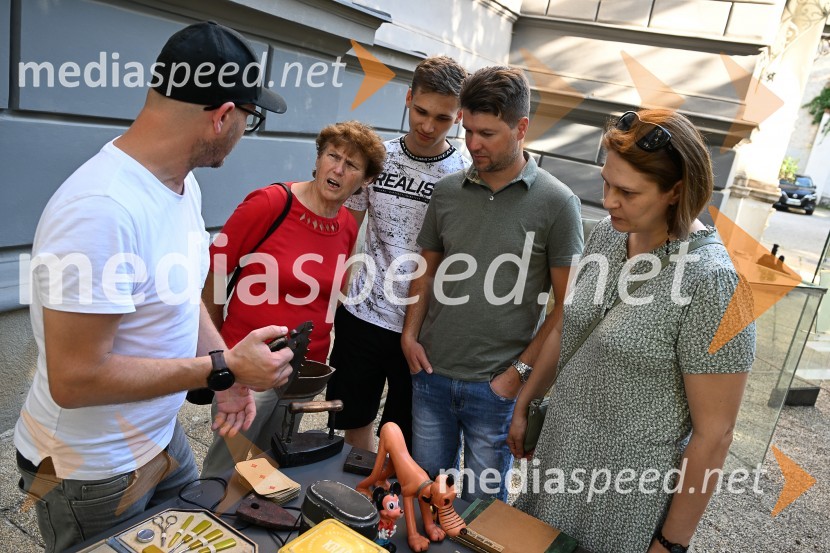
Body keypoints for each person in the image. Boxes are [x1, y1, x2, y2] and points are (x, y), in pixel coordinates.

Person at [14, 22, 295, 552]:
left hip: (161, 440)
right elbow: (74, 380)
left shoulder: (178, 183)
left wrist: (224, 367)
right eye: (249, 118)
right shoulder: (100, 211)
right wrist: (225, 367)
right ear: (221, 117)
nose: (244, 131)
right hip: (90, 470)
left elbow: (180, 296)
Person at [509, 109, 755, 553]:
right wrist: (526, 400)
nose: (608, 201)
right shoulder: (606, 235)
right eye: (606, 182)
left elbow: (715, 434)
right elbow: (571, 325)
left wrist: (669, 543)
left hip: (624, 497)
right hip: (559, 458)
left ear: (676, 192)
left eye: (627, 191)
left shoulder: (715, 283)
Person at [401, 66, 584, 502]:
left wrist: (517, 374)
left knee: (483, 512)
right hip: (430, 375)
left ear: (522, 127)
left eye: (488, 133)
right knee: (426, 499)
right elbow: (425, 270)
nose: (473, 145)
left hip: (495, 389)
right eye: (468, 131)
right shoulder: (446, 192)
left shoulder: (557, 203)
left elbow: (568, 304)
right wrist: (409, 336)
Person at [200, 121, 386, 477]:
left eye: (352, 165)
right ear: (318, 159)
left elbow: (330, 293)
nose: (338, 169)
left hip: (303, 371)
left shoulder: (347, 225)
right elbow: (215, 271)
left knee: (270, 468)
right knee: (226, 470)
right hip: (249, 365)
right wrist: (216, 354)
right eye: (333, 156)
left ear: (364, 181)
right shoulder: (271, 203)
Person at [325, 55, 469, 451]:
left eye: (442, 118)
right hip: (362, 314)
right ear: (408, 98)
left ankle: (386, 503)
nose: (427, 125)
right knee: (352, 419)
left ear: (458, 117)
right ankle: (353, 500)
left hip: (424, 330)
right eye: (421, 111)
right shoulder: (377, 159)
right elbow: (346, 230)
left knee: (403, 436)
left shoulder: (465, 173)